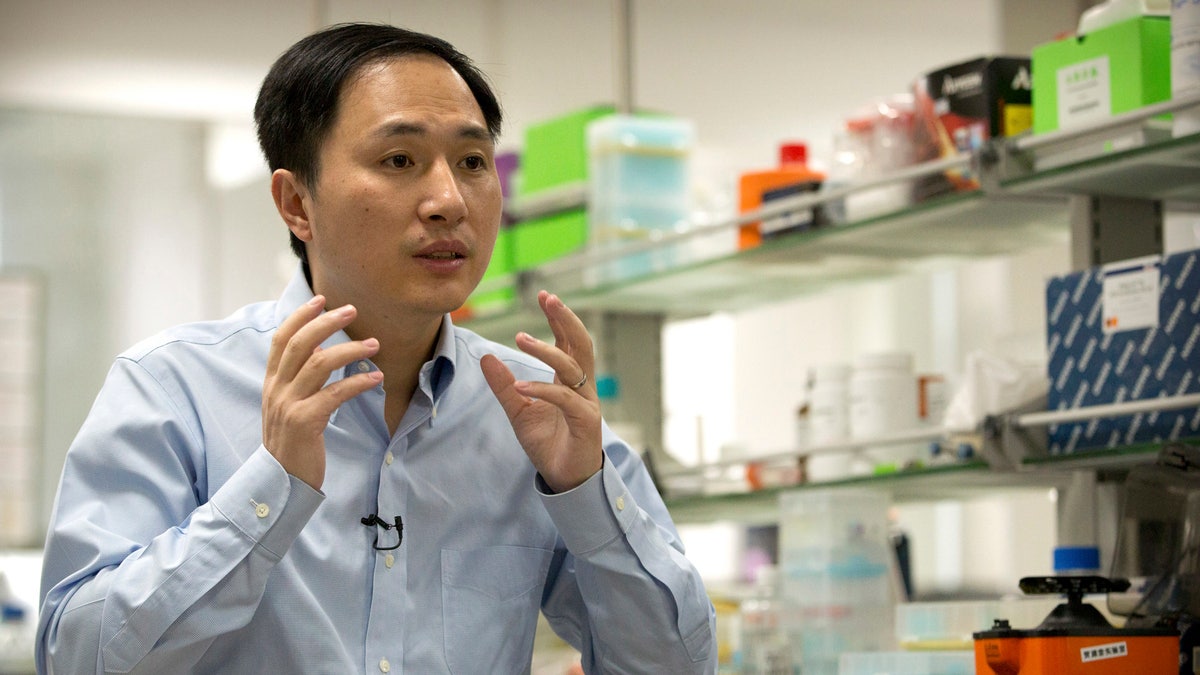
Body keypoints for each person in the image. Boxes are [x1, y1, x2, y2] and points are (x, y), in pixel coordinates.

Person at [36, 22, 716, 674]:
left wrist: (586, 491)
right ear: (296, 202)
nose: (449, 198)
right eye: (400, 160)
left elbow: (678, 667)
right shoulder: (173, 388)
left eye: (473, 161)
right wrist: (268, 490)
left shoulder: (536, 409)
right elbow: (78, 657)